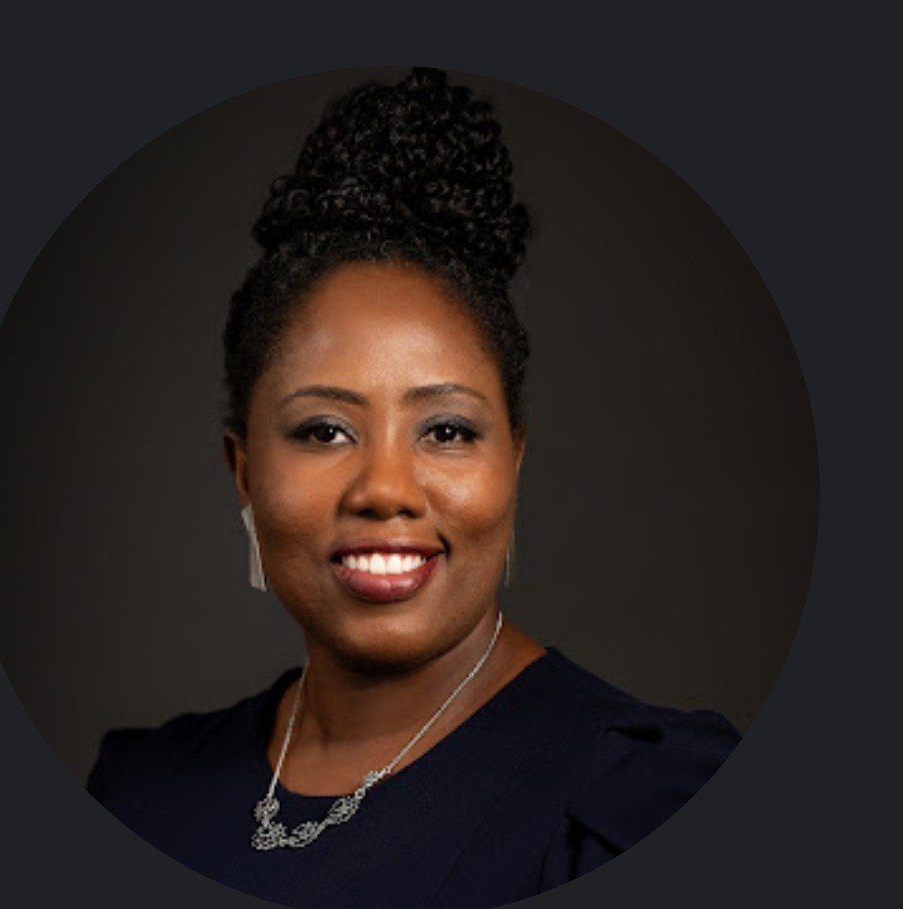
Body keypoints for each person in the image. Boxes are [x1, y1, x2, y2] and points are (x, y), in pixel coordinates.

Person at [87, 67, 739, 909]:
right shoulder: (141, 797)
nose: (385, 488)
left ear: (513, 462)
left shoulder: (644, 805)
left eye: (447, 431)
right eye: (324, 430)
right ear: (243, 471)